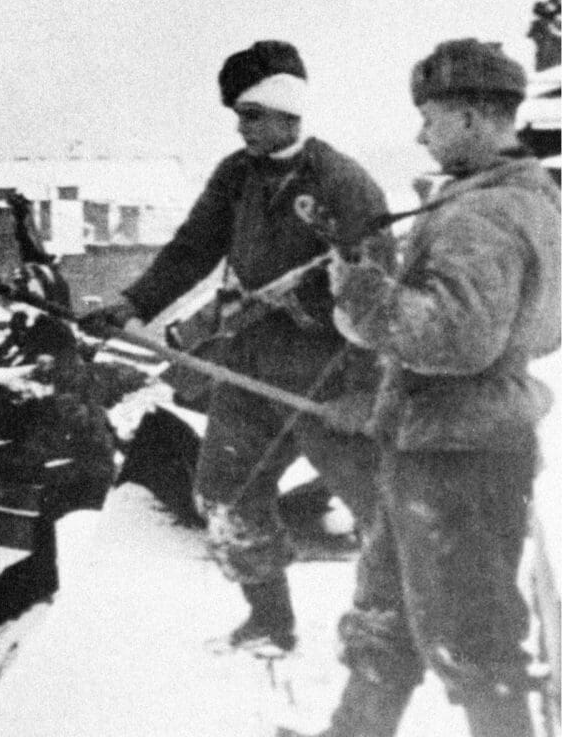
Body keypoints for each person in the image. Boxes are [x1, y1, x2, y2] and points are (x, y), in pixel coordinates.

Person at [79, 40, 390, 654]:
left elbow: (381, 297)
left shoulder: (344, 184)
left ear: (287, 113)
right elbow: (194, 247)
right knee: (225, 492)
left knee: (381, 510)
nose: (242, 128)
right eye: (239, 117)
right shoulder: (237, 174)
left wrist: (366, 389)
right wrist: (134, 302)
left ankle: (403, 635)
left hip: (326, 377)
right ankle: (271, 622)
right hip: (247, 369)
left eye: (251, 115)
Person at [293, 39, 558, 737]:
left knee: (474, 643)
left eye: (432, 118)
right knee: (389, 619)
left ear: (472, 118)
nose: (421, 134)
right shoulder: (531, 201)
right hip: (447, 444)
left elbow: (455, 340)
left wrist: (364, 291)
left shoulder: (481, 216)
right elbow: (539, 330)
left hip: (456, 458)